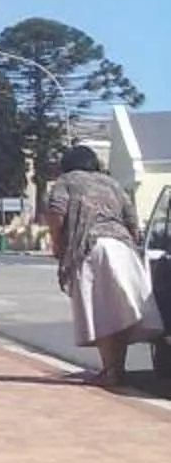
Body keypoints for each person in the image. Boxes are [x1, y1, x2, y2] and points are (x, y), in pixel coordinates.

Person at [42, 146, 162, 390]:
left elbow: (56, 213)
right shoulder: (112, 183)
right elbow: (131, 218)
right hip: (123, 248)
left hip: (91, 247)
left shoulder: (66, 181)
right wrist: (133, 244)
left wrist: (57, 243)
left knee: (102, 313)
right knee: (120, 313)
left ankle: (111, 372)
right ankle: (116, 370)